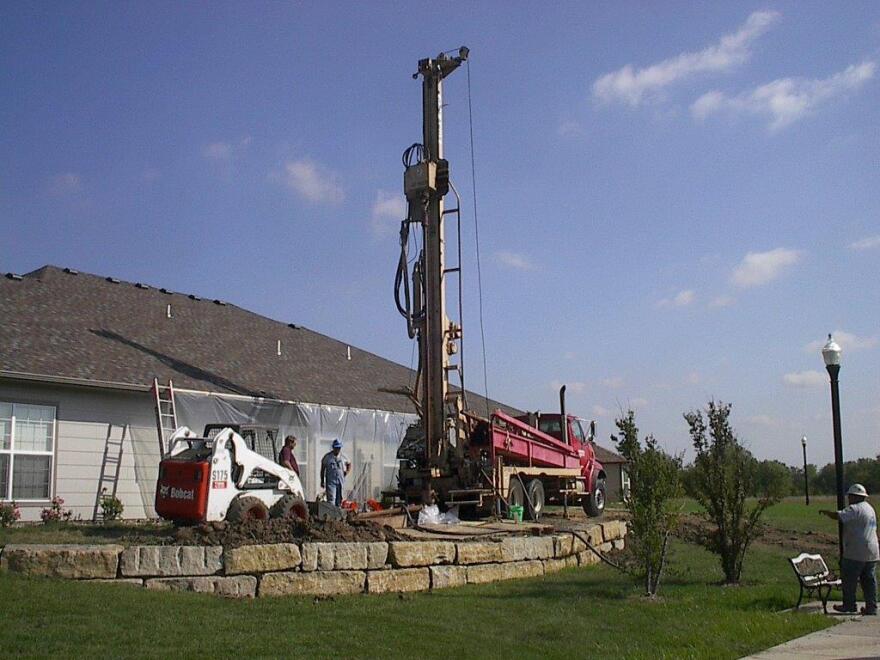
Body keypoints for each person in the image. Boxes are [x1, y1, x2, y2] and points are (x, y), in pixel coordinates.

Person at [820, 483, 879, 614]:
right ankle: (871, 607)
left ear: (854, 496)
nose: (849, 499)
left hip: (856, 550)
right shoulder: (870, 509)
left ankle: (849, 605)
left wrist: (826, 513)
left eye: (850, 496)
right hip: (872, 550)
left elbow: (839, 516)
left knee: (849, 579)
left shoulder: (854, 508)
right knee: (869, 581)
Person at [320, 438, 351, 507]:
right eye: (336, 448)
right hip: (331, 482)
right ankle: (331, 515)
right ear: (333, 448)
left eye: (339, 448)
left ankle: (338, 514)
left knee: (339, 499)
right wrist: (322, 480)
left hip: (340, 481)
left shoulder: (343, 456)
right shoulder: (327, 457)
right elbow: (322, 469)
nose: (337, 450)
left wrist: (347, 471)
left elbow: (349, 463)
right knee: (331, 500)